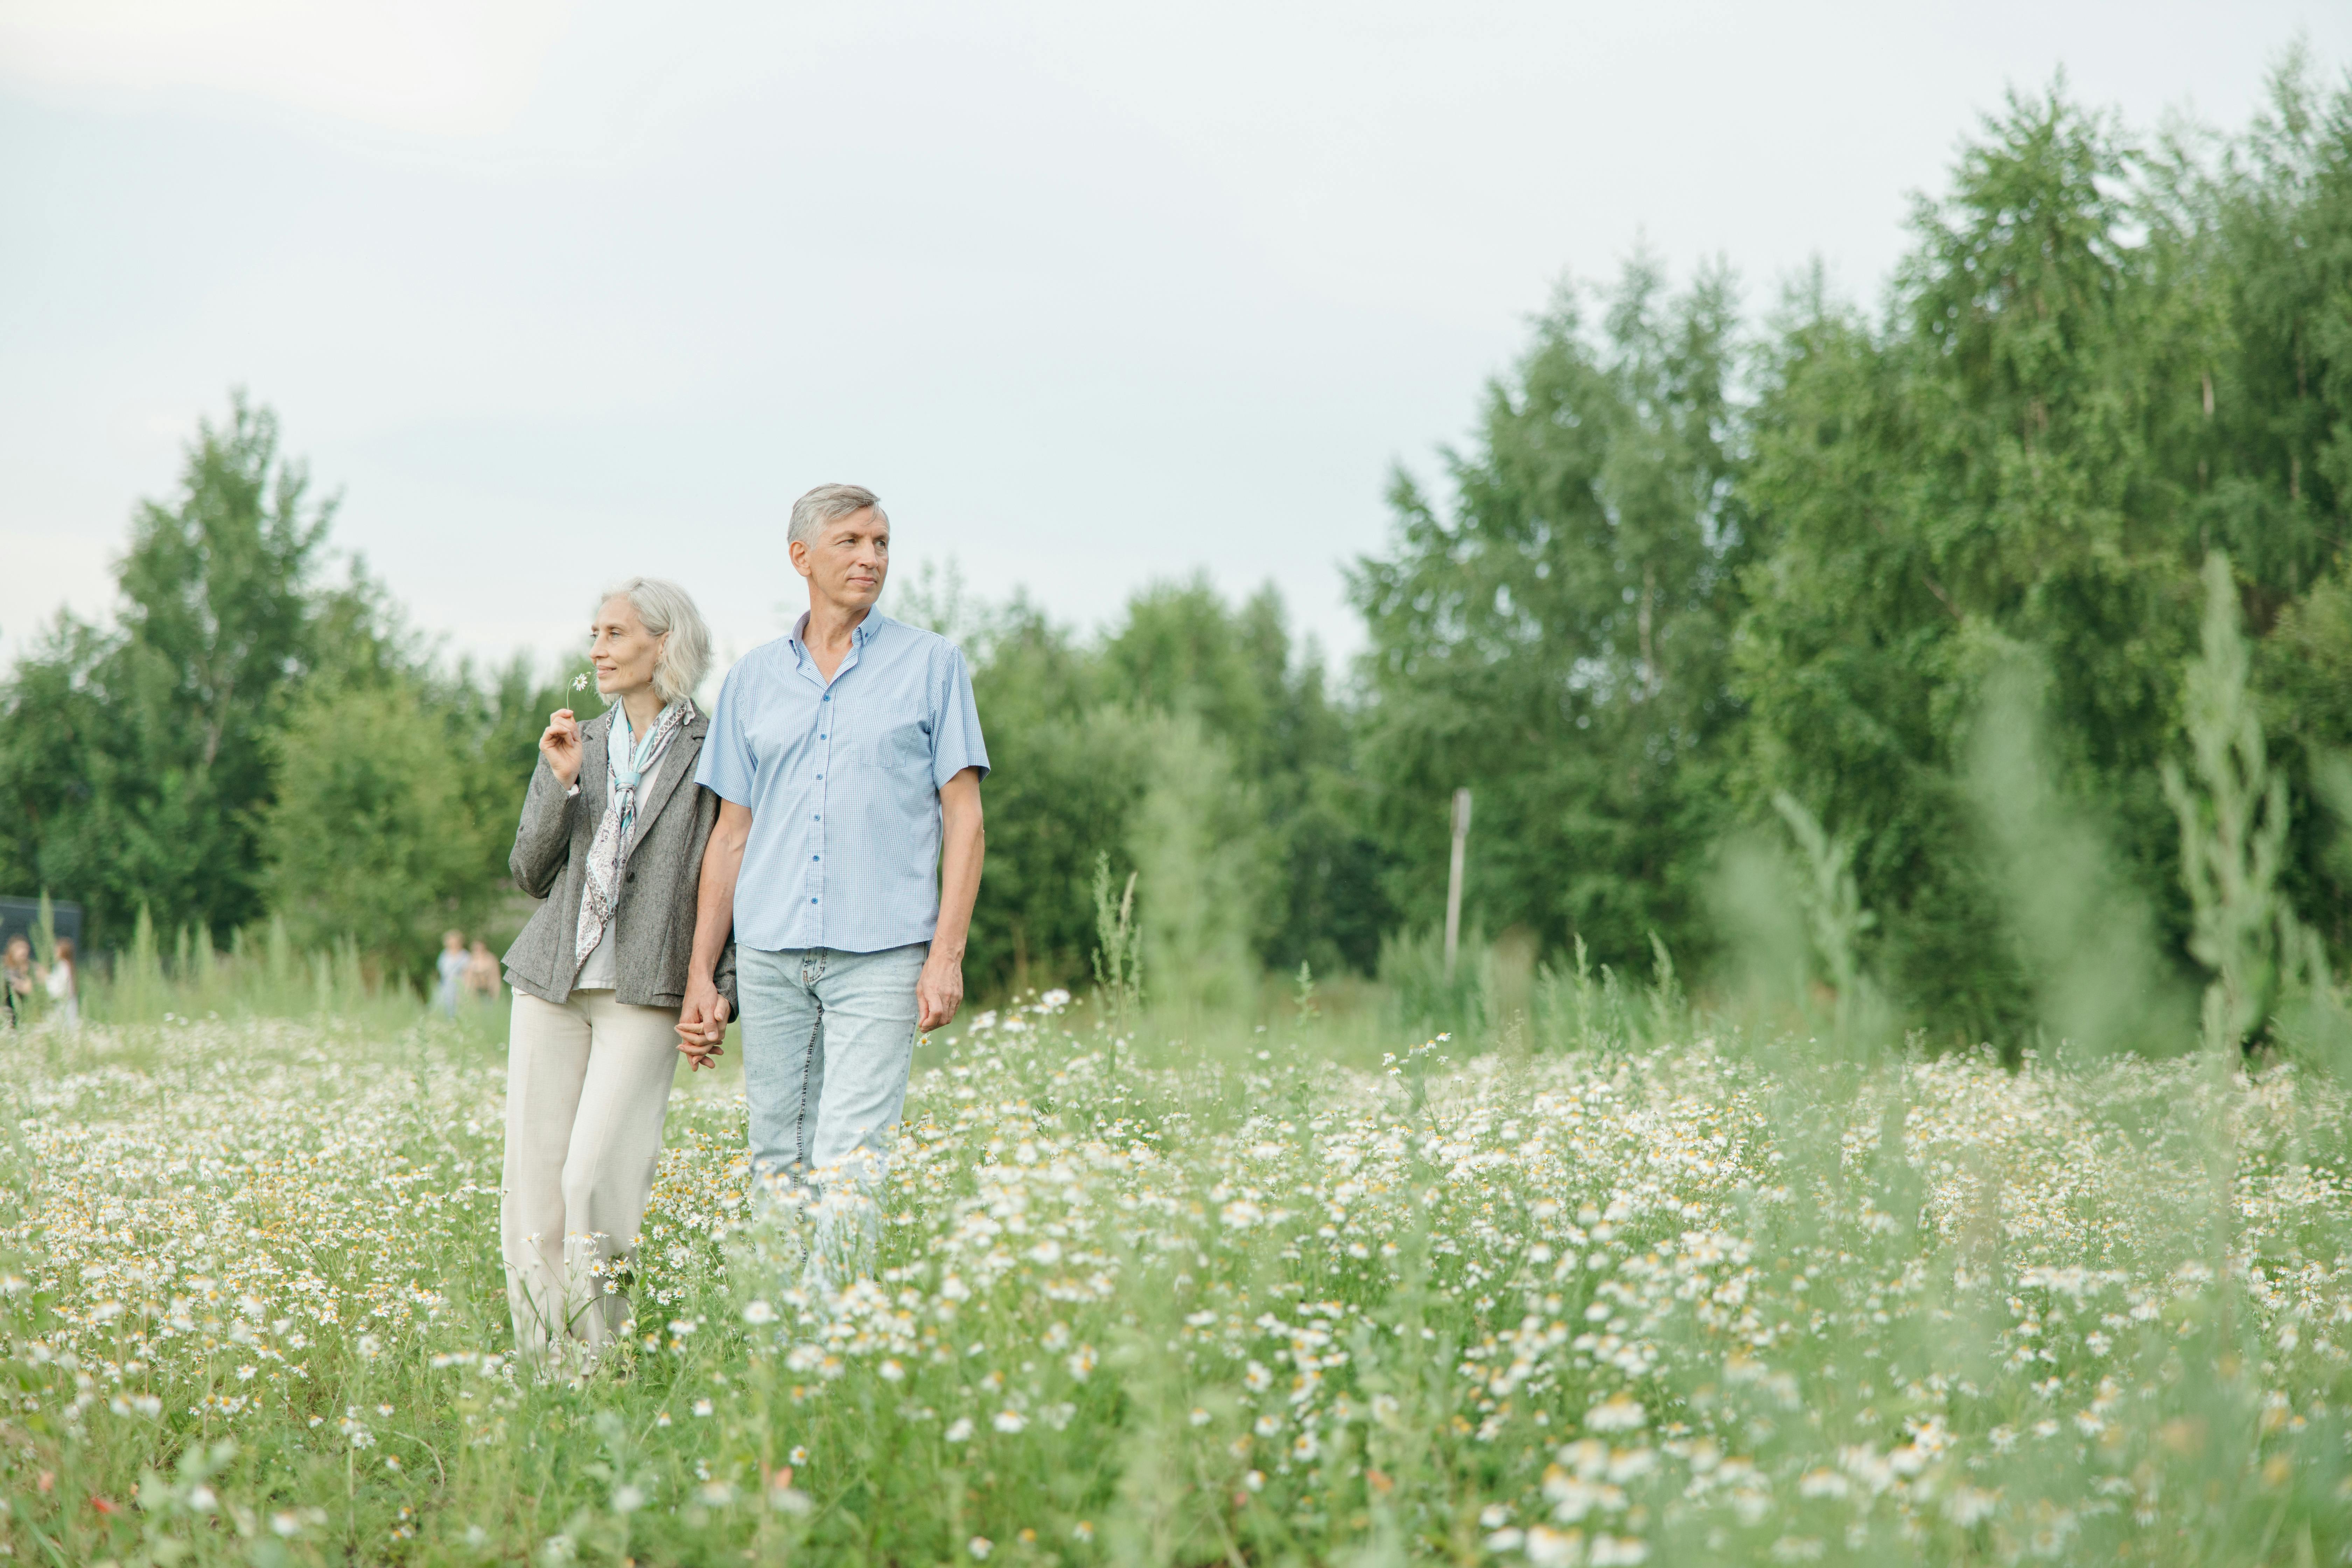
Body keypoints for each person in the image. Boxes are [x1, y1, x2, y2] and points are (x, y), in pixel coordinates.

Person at [677, 483, 986, 1287]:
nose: (872, 558)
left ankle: (827, 1344)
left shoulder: (932, 665)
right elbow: (730, 836)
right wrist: (701, 976)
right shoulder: (751, 682)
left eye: (881, 543)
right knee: (776, 1152)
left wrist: (944, 956)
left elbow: (967, 821)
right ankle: (777, 1342)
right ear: (801, 558)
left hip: (882, 955)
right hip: (773, 951)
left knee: (850, 1155)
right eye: (851, 542)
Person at [497, 577, 737, 1377]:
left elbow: (733, 872)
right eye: (594, 634)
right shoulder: (582, 743)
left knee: (597, 1173)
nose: (596, 649)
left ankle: (603, 1361)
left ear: (662, 645)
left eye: (614, 634)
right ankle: (543, 1360)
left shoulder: (717, 749)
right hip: (551, 982)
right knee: (534, 1178)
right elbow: (530, 872)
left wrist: (721, 985)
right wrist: (557, 781)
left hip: (649, 983)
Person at [45, 937, 78, 1028]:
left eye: (56, 950)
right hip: (67, 1002)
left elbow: (61, 987)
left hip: (64, 1002)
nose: (54, 952)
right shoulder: (68, 965)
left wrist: (45, 977)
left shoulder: (63, 966)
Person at [3, 935, 35, 1029]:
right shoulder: (5, 969)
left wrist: (13, 981)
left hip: (22, 1013)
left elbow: (28, 989)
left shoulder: (29, 970)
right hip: (6, 1012)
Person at [435, 930, 468, 1016]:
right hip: (445, 986)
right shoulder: (444, 955)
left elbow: (467, 974)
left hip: (459, 986)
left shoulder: (465, 956)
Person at [464, 939, 501, 1004]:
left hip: (488, 991)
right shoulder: (470, 960)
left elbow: (496, 978)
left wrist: (496, 993)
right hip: (475, 992)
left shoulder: (491, 959)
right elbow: (467, 979)